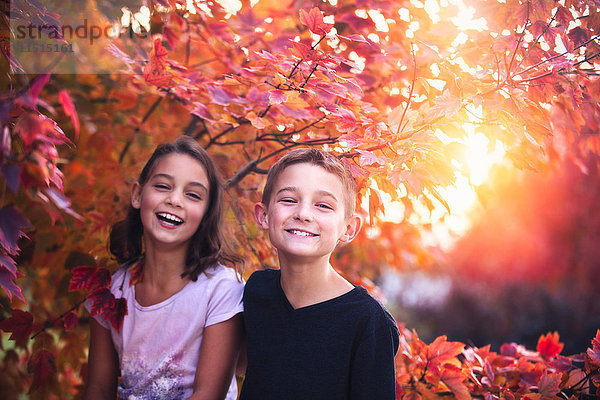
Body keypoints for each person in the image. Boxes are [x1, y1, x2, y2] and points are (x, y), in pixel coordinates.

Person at [84, 136, 244, 400]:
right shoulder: (111, 291)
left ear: (206, 213)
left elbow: (208, 395)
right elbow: (98, 389)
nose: (175, 200)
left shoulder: (221, 289)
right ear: (137, 195)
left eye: (192, 195)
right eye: (162, 186)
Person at [240, 148, 400, 400]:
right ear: (263, 215)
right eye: (289, 200)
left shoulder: (367, 321)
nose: (303, 214)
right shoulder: (257, 290)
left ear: (348, 229)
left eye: (323, 205)